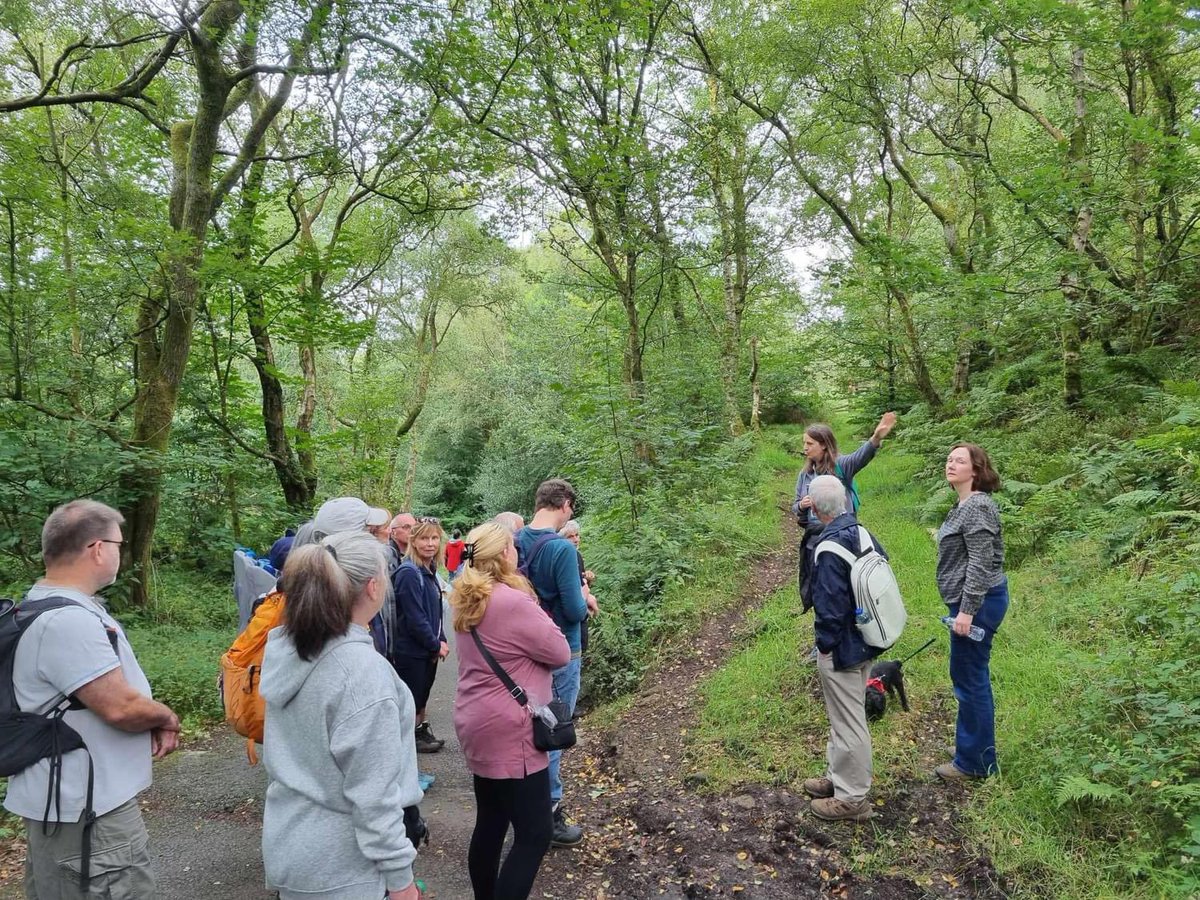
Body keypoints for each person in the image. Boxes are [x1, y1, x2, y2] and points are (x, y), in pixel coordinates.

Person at [7, 499, 180, 898]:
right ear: (97, 548)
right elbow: (120, 706)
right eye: (118, 543)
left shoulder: (43, 607)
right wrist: (165, 716)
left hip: (70, 805)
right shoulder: (67, 621)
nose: (121, 552)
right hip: (88, 815)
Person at [260, 530, 423, 900]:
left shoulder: (291, 648)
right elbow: (374, 794)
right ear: (372, 587)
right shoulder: (361, 673)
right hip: (345, 866)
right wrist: (401, 881)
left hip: (293, 847)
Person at [451, 522, 571, 900]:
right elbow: (560, 652)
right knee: (535, 833)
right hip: (512, 727)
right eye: (513, 547)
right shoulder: (512, 601)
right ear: (504, 554)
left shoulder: (467, 597)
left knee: (491, 820)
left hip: (477, 720)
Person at [802, 475, 885, 822]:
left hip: (843, 648)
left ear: (816, 509)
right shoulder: (863, 532)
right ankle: (838, 779)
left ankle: (852, 800)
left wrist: (824, 646)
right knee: (844, 715)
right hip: (867, 636)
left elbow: (830, 607)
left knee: (849, 721)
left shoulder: (827, 547)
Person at [516, 479, 593, 848]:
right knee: (554, 732)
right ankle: (549, 817)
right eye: (571, 509)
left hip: (525, 648)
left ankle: (527, 810)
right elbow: (575, 610)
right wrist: (585, 598)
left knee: (529, 727)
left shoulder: (516, 541)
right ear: (562, 504)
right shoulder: (561, 548)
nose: (570, 516)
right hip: (563, 647)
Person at [935, 443, 1008, 782]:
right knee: (965, 675)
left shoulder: (976, 506)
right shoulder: (965, 503)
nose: (951, 464)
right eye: (949, 459)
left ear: (976, 470)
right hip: (971, 600)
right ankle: (972, 745)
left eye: (960, 461)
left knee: (970, 679)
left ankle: (976, 762)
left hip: (977, 602)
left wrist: (966, 611)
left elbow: (980, 562)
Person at [792, 412, 898, 613]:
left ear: (823, 444)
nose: (804, 448)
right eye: (804, 443)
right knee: (820, 586)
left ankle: (857, 622)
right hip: (815, 536)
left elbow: (861, 456)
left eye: (809, 443)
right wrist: (802, 505)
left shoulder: (841, 466)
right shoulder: (805, 474)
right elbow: (794, 506)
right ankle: (825, 629)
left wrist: (876, 438)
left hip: (842, 536)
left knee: (845, 583)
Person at [392, 517, 450, 754]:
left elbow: (434, 613)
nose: (430, 543)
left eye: (434, 538)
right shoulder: (408, 573)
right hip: (411, 651)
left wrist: (442, 638)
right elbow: (415, 618)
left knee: (421, 697)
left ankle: (419, 735)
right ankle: (405, 748)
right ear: (413, 542)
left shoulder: (429, 570)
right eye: (424, 538)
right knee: (410, 701)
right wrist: (434, 644)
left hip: (426, 650)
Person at [558, 519, 596, 656]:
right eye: (570, 536)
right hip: (568, 619)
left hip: (581, 615)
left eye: (577, 535)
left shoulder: (577, 555)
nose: (575, 539)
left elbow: (581, 584)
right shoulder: (562, 557)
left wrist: (587, 579)